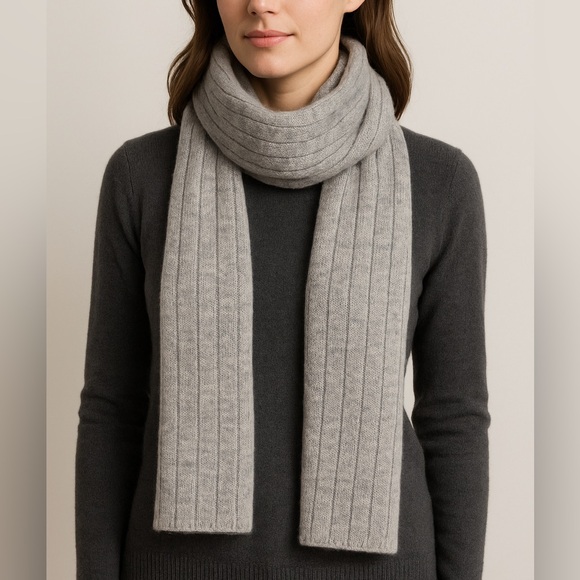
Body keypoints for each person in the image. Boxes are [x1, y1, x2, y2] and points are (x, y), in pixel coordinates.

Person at [75, 1, 490, 579]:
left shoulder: (441, 183)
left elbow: (454, 418)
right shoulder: (140, 176)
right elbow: (112, 410)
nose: (261, 4)